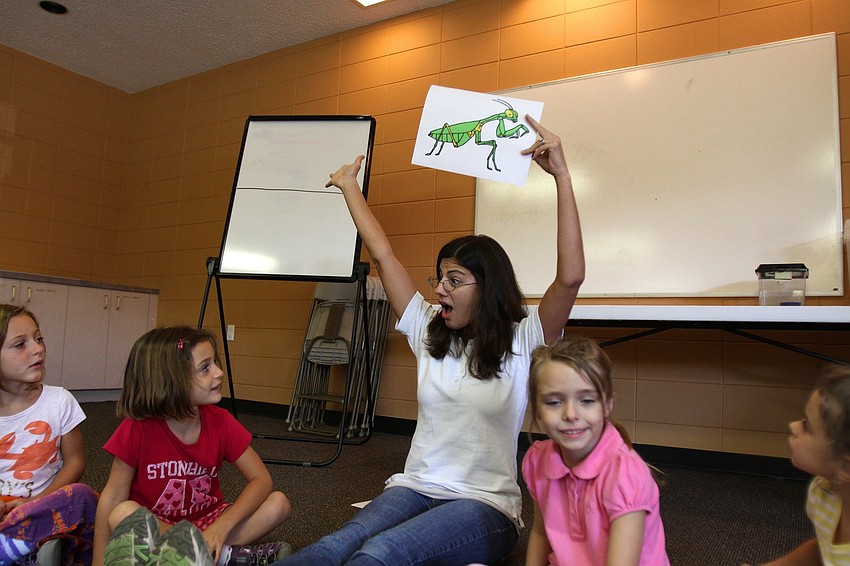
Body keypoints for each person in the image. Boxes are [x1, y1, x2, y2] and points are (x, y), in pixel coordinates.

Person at [276, 115, 585, 565]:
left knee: (379, 554)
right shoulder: (428, 330)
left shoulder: (525, 338)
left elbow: (571, 277)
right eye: (439, 277)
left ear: (488, 287)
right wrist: (349, 188)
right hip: (415, 487)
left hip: (484, 507)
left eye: (454, 280)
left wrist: (561, 175)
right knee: (336, 545)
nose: (440, 288)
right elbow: (383, 253)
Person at [93, 326, 292, 566]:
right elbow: (113, 497)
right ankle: (221, 557)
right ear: (170, 381)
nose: (219, 372)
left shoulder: (221, 422)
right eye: (205, 368)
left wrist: (220, 527)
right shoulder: (137, 428)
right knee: (122, 513)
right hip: (159, 525)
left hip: (210, 521)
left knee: (278, 503)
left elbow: (262, 480)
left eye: (215, 363)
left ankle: (193, 554)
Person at [522, 335, 669, 565]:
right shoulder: (537, 461)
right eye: (553, 402)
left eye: (587, 401)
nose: (570, 414)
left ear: (607, 404)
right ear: (537, 409)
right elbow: (541, 534)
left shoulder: (625, 474)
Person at [0, 304, 99, 565]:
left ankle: (22, 548)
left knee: (83, 496)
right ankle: (25, 549)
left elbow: (75, 462)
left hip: (45, 506)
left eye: (39, 339)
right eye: (20, 344)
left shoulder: (59, 401)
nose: (38, 349)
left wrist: (35, 501)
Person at [742, 365, 850, 566]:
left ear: (846, 467)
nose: (793, 426)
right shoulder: (825, 490)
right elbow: (823, 550)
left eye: (807, 426)